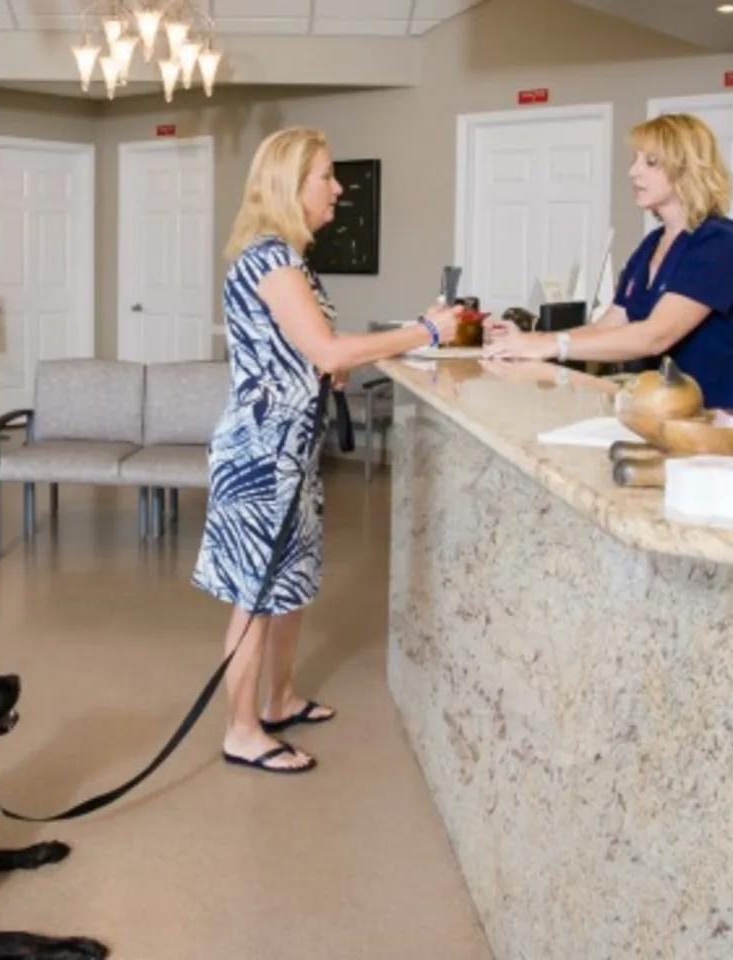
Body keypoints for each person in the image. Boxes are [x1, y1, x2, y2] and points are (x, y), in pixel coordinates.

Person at [192, 126, 463, 774]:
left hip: (292, 453)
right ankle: (241, 730)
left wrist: (334, 364)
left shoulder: (292, 262)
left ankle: (279, 698)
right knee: (256, 597)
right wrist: (423, 330)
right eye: (326, 176)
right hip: (261, 458)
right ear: (292, 185)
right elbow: (328, 350)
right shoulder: (269, 261)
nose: (338, 188)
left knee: (290, 586)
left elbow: (315, 359)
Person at [483, 113, 733, 411]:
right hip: (676, 410)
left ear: (686, 169)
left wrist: (551, 346)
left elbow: (655, 336)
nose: (633, 171)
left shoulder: (717, 242)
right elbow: (608, 326)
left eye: (651, 162)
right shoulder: (652, 245)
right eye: (634, 160)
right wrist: (530, 340)